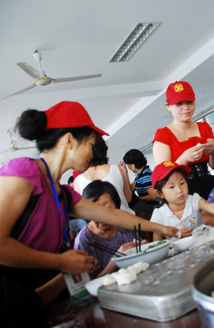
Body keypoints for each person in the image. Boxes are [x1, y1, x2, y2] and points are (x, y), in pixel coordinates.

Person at [0, 101, 179, 326]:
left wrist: (162, 228)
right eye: (90, 144)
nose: (92, 152)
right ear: (68, 141)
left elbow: (113, 215)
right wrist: (60, 261)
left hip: (35, 296)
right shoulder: (23, 171)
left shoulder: (62, 193)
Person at [152, 81, 214, 200]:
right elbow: (165, 178)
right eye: (179, 103)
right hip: (183, 192)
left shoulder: (204, 127)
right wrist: (184, 159)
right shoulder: (163, 135)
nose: (186, 108)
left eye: (189, 102)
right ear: (168, 106)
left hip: (209, 186)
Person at [151, 161, 214, 241]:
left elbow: (212, 207)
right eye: (171, 187)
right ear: (159, 193)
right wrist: (175, 236)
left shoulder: (193, 200)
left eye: (182, 183)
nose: (179, 190)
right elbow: (157, 243)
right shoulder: (159, 215)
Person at [75, 180, 145, 278]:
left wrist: (144, 249)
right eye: (94, 212)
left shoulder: (125, 224)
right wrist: (116, 260)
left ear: (116, 206)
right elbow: (86, 286)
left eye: (107, 210)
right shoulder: (84, 240)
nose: (102, 217)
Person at [74, 138, 135, 215]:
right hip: (125, 220)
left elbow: (82, 212)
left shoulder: (78, 181)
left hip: (100, 225)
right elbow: (128, 198)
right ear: (105, 151)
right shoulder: (117, 169)